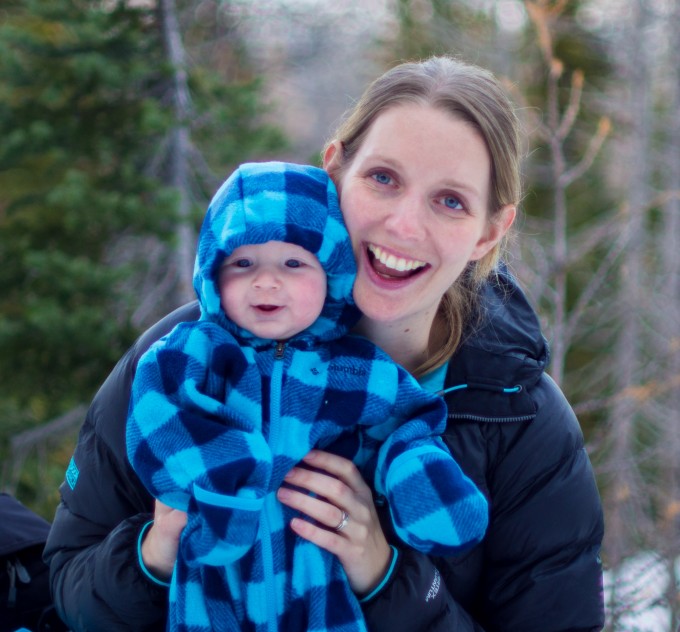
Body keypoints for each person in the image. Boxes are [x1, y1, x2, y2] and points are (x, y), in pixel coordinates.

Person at [44, 55, 605, 631]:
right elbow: (65, 587)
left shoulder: (522, 422)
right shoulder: (185, 360)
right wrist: (155, 553)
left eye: (451, 201)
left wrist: (388, 578)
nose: (404, 226)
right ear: (334, 170)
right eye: (383, 178)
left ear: (490, 231)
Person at [126, 160, 488, 631]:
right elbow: (156, 422)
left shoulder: (352, 369)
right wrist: (225, 478)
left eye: (294, 263)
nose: (267, 280)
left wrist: (414, 478)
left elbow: (410, 419)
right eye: (243, 263)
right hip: (214, 579)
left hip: (315, 580)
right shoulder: (191, 353)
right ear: (213, 275)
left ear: (332, 275)